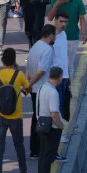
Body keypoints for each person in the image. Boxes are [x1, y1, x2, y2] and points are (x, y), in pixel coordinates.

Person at [0, 47, 32, 173]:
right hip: (16, 116)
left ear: (2, 60)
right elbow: (28, 89)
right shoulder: (18, 75)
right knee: (19, 146)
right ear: (14, 60)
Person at [27, 24, 56, 158]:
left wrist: (28, 83)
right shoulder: (47, 50)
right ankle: (39, 149)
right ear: (50, 35)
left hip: (34, 88)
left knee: (36, 117)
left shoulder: (35, 46)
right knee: (42, 119)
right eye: (54, 35)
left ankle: (35, 148)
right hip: (41, 89)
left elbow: (29, 66)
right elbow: (41, 71)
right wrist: (30, 83)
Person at [46, 0, 87, 72]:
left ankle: (69, 85)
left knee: (69, 65)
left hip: (72, 38)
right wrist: (57, 4)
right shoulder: (55, 1)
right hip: (57, 38)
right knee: (57, 64)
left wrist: (83, 34)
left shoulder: (77, 1)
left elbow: (82, 19)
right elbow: (50, 17)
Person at [36, 66, 65, 173]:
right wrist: (60, 126)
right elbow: (54, 113)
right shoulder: (53, 92)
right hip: (51, 128)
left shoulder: (42, 87)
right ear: (59, 78)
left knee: (43, 155)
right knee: (48, 156)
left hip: (42, 125)